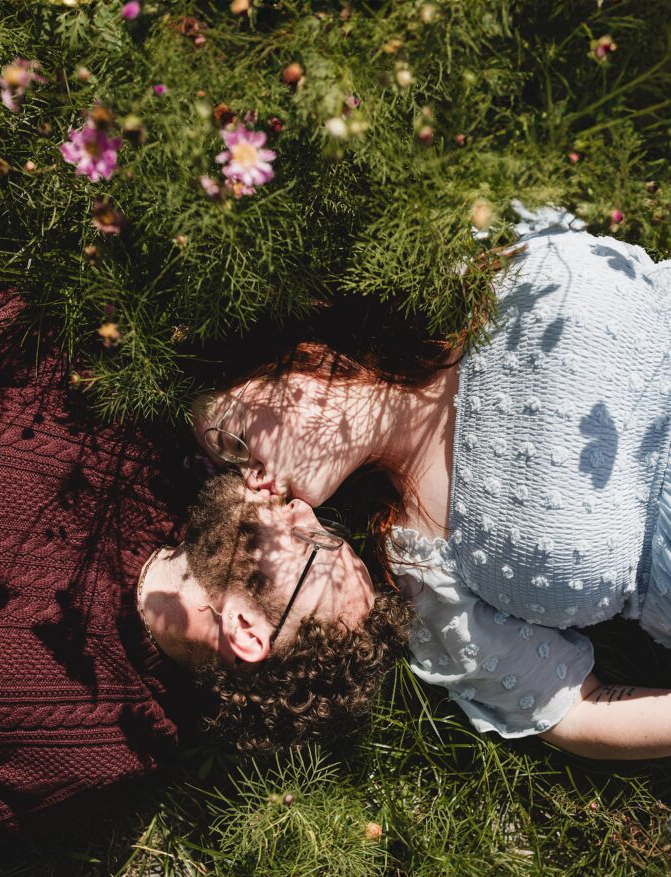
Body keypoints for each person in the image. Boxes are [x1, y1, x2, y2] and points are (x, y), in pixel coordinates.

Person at [193, 205, 671, 761]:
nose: (249, 481)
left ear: (300, 361)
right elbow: (575, 712)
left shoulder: (457, 265)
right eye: (230, 466)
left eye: (235, 441)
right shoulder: (420, 560)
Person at [0, 289, 408, 843]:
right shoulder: (141, 452)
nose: (305, 507)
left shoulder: (95, 747)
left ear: (246, 631)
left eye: (315, 543)